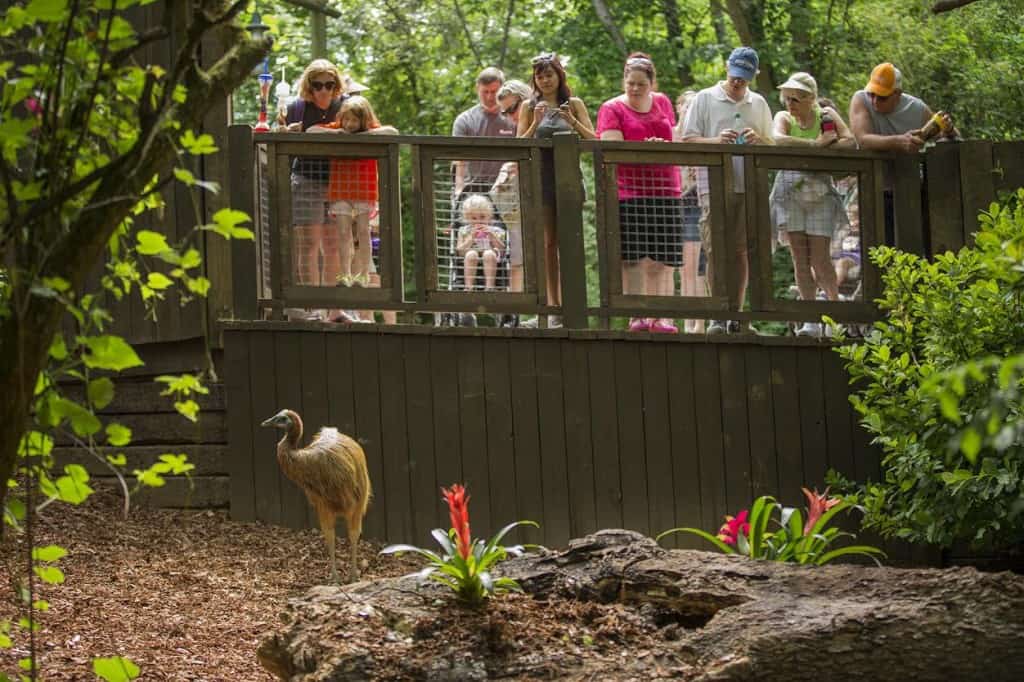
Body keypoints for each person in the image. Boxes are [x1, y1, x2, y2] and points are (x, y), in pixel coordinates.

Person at [681, 46, 774, 335]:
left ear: (753, 77)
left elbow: (772, 144)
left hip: (748, 185)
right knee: (715, 251)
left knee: (741, 251)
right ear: (726, 68)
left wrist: (759, 139)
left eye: (744, 79)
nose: (737, 82)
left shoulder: (758, 103)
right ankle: (718, 314)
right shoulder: (705, 99)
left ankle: (737, 314)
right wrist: (715, 141)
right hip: (713, 185)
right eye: (735, 76)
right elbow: (687, 140)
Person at [597, 52, 684, 334]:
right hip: (629, 191)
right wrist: (645, 147)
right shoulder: (611, 108)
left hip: (666, 188)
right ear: (624, 80)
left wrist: (660, 144)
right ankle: (637, 315)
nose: (634, 88)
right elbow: (611, 145)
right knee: (633, 258)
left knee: (660, 259)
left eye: (641, 84)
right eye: (630, 82)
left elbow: (673, 135)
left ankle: (660, 317)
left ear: (651, 83)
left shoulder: (663, 102)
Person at [768, 72, 855, 336]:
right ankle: (810, 320)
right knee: (800, 259)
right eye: (787, 98)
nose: (790, 104)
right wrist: (816, 145)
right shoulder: (783, 118)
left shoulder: (826, 115)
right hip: (791, 193)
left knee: (820, 258)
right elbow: (778, 139)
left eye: (796, 98)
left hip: (820, 194)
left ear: (811, 99)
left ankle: (834, 317)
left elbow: (850, 141)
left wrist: (830, 143)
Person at [517, 53, 596, 328]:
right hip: (542, 180)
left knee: (570, 243)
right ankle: (554, 306)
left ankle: (575, 304)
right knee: (549, 244)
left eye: (549, 74)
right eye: (540, 76)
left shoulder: (573, 104)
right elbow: (520, 144)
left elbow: (593, 138)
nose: (545, 80)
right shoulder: (529, 106)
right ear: (535, 80)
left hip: (570, 179)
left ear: (559, 75)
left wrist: (571, 121)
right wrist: (535, 123)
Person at [848, 63, 960, 242]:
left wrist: (949, 130)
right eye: (872, 94)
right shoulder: (860, 100)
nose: (875, 101)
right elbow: (863, 139)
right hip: (874, 188)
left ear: (897, 94)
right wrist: (900, 141)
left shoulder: (917, 108)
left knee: (918, 243)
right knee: (879, 249)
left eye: (882, 97)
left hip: (912, 189)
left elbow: (950, 140)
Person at [312, 96, 398, 323]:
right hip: (340, 190)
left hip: (364, 190)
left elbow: (393, 132)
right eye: (346, 120)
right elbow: (311, 130)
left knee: (362, 232)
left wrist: (366, 136)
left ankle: (362, 275)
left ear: (363, 121)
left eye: (354, 122)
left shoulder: (370, 129)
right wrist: (336, 133)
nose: (349, 125)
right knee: (343, 234)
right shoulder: (338, 128)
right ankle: (346, 273)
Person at [277, 59, 348, 321]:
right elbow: (278, 134)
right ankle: (312, 308)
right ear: (309, 86)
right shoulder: (297, 107)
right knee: (308, 245)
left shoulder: (346, 106)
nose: (324, 91)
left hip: (339, 182)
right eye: (317, 85)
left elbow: (370, 127)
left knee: (334, 246)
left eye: (329, 85)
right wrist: (288, 132)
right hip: (306, 179)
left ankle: (334, 309)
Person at [449, 67, 516, 326]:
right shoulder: (465, 120)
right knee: (465, 246)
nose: (490, 97)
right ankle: (465, 307)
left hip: (504, 191)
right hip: (473, 194)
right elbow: (460, 162)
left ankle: (503, 307)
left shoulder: (510, 118)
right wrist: (457, 194)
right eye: (485, 92)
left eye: (495, 92)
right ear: (478, 90)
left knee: (501, 248)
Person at [491, 80, 533, 299]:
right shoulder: (519, 128)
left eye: (512, 109)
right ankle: (516, 310)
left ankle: (553, 313)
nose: (510, 117)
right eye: (505, 113)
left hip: (542, 199)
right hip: (517, 205)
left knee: (548, 256)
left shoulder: (543, 119)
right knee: (516, 257)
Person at [673, 90, 705, 333]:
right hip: (674, 203)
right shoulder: (670, 134)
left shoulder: (701, 135)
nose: (689, 110)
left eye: (695, 106)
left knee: (696, 266)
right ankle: (687, 321)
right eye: (686, 106)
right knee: (682, 269)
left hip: (696, 203)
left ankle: (700, 322)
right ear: (678, 108)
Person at [456, 194, 506, 292]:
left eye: (482, 217)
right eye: (474, 218)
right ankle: (469, 287)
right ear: (467, 218)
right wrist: (471, 238)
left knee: (489, 254)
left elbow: (502, 250)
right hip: (470, 257)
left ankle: (490, 287)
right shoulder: (464, 231)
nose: (478, 220)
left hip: (491, 257)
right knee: (471, 254)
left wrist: (491, 235)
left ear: (489, 216)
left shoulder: (496, 230)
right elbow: (460, 251)